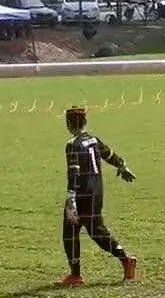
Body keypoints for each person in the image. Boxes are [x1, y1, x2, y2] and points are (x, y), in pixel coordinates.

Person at [59, 107, 137, 286]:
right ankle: (124, 259)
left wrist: (71, 199)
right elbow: (109, 154)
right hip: (97, 191)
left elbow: (74, 172)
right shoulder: (93, 140)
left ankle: (77, 275)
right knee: (95, 230)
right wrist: (122, 166)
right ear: (85, 122)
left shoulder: (72, 145)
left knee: (71, 232)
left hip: (82, 193)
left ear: (69, 124)